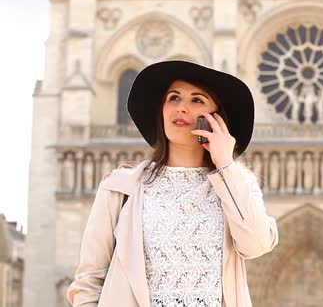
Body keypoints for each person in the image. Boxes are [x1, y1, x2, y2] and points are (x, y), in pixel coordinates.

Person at [66, 60, 279, 307]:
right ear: (162, 111)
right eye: (173, 98)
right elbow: (89, 281)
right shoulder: (119, 188)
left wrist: (225, 165)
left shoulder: (236, 184)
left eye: (197, 100)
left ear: (216, 119)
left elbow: (257, 244)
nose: (181, 107)